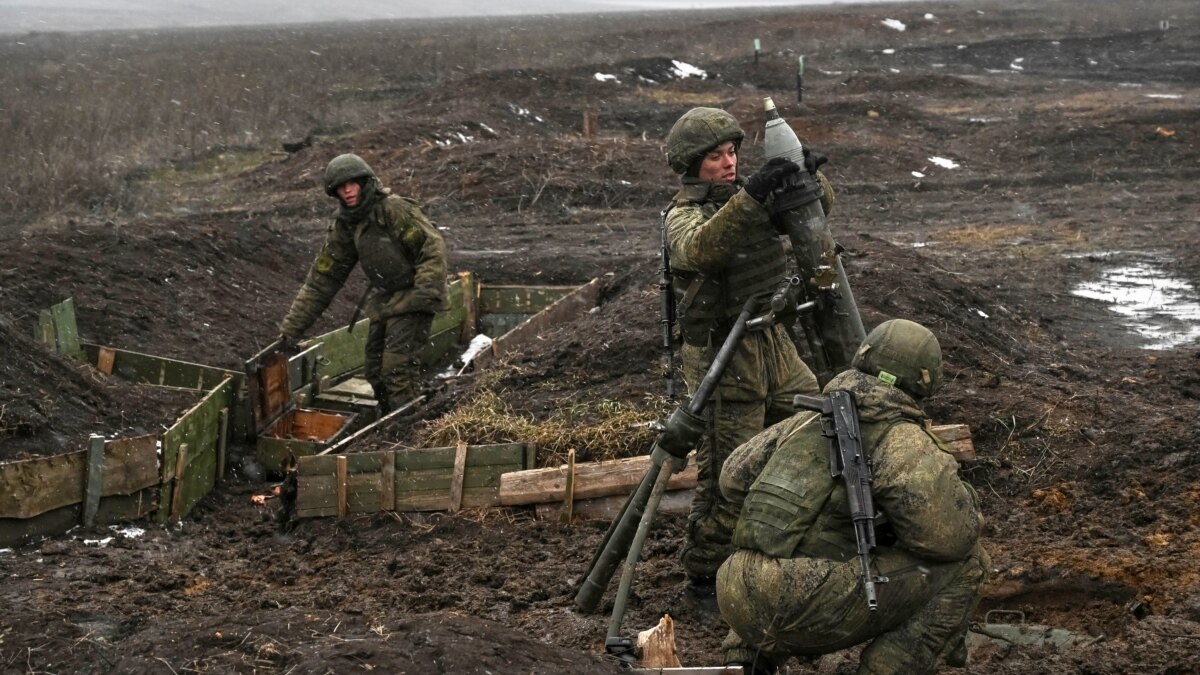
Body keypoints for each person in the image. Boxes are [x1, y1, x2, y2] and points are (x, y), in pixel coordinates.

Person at [715, 319, 990, 675]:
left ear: (863, 357)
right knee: (970, 566)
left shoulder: (806, 419)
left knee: (778, 548)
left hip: (735, 591)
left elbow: (732, 480)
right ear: (926, 380)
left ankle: (744, 662)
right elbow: (949, 539)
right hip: (802, 603)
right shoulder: (902, 440)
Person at [662, 107, 835, 601]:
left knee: (816, 427)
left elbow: (816, 214)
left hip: (771, 342)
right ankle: (705, 579)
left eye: (733, 152)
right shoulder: (684, 214)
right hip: (723, 355)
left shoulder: (746, 200)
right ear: (693, 164)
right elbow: (700, 249)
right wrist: (756, 197)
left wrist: (810, 177)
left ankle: (785, 538)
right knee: (724, 475)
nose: (728, 163)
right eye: (715, 156)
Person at [277, 153, 448, 412]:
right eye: (340, 188)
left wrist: (423, 295)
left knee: (396, 370)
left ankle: (411, 427)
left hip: (414, 295)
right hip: (387, 300)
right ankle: (391, 420)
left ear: (365, 182)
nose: (347, 191)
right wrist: (290, 331)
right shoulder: (346, 226)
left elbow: (431, 247)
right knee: (375, 370)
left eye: (352, 183)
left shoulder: (394, 210)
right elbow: (322, 280)